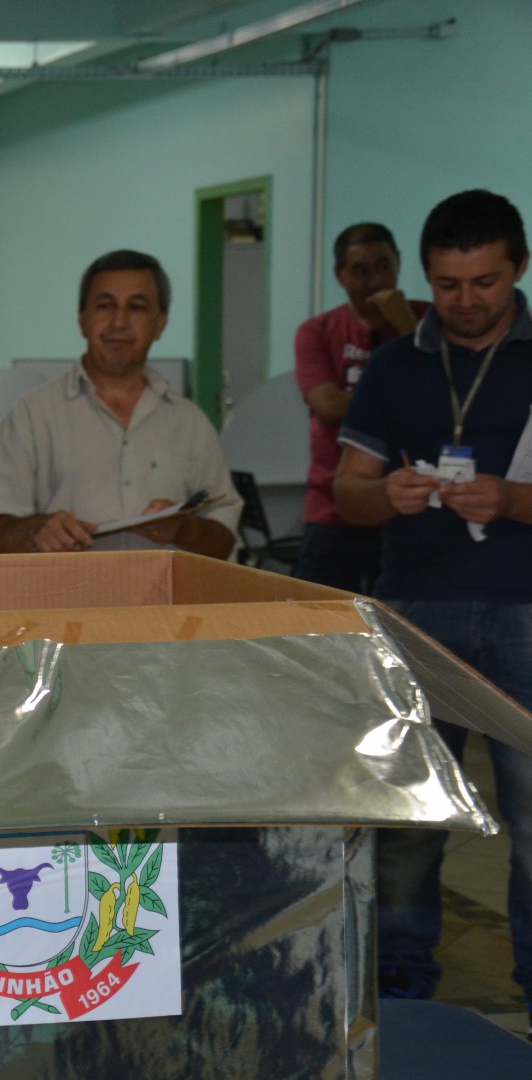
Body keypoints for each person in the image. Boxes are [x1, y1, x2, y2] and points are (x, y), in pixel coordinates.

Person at [335, 189, 532, 1019]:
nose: (465, 301)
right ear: (424, 275)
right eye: (447, 284)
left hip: (524, 611)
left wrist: (513, 501)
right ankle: (400, 992)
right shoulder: (392, 366)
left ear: (518, 268)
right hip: (414, 611)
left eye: (484, 282)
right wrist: (384, 493)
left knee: (531, 823)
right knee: (406, 820)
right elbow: (347, 492)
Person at [0, 250, 241, 556]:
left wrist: (185, 529)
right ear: (82, 319)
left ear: (160, 324)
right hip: (69, 588)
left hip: (165, 590)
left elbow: (224, 541)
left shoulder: (189, 422)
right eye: (104, 305)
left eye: (136, 307)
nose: (119, 321)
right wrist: (35, 530)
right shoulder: (33, 415)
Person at [293, 223, 428, 591]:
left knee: (404, 622)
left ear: (399, 263)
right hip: (333, 513)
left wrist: (406, 326)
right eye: (360, 271)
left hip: (413, 506)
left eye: (384, 266)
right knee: (321, 622)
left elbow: (443, 391)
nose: (375, 281)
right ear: (339, 275)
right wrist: (394, 389)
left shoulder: (426, 321)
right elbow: (328, 406)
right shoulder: (317, 331)